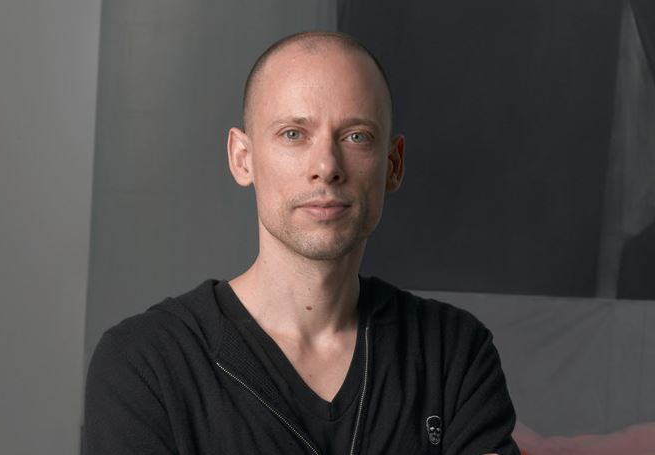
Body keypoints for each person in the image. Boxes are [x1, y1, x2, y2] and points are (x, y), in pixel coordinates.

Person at [84, 31, 519, 455]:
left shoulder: (453, 352)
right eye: (293, 133)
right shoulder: (146, 362)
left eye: (356, 136)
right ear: (242, 158)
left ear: (393, 164)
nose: (326, 166)